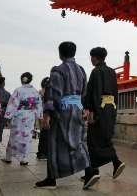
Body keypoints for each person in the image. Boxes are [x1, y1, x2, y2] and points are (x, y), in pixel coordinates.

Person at [34, 41, 99, 190]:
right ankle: (90, 171)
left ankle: (51, 179)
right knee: (76, 141)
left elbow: (54, 92)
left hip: (62, 110)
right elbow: (85, 92)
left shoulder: (59, 70)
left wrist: (48, 113)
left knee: (55, 142)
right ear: (74, 53)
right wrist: (83, 106)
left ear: (60, 53)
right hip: (77, 108)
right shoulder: (81, 70)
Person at [79, 47, 125, 182]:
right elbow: (116, 91)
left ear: (94, 58)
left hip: (100, 107)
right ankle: (94, 170)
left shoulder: (96, 71)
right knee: (104, 136)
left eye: (91, 57)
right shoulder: (111, 71)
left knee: (93, 138)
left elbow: (95, 92)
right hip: (111, 107)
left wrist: (92, 111)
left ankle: (115, 162)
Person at [1, 72, 42, 165]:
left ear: (21, 80)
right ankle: (24, 158)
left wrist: (8, 116)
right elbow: (38, 105)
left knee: (14, 135)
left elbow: (13, 104)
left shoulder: (18, 90)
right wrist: (39, 116)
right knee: (27, 136)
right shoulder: (35, 91)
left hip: (19, 115)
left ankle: (9, 157)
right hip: (30, 115)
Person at [36, 77, 49, 161]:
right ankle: (42, 152)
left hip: (46, 113)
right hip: (43, 114)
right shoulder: (41, 92)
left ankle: (45, 151)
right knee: (44, 133)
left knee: (46, 133)